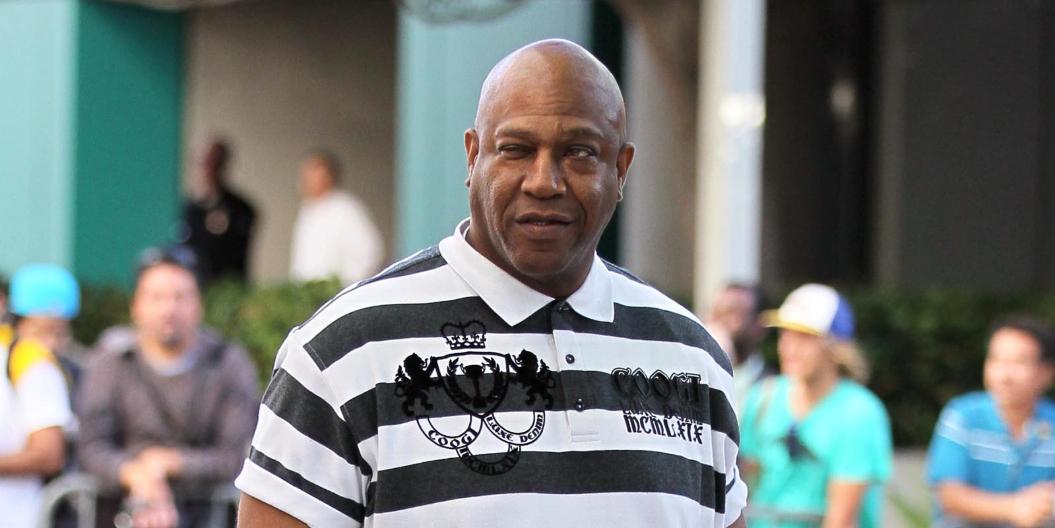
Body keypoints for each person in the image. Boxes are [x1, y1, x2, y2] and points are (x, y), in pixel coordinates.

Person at [236, 39, 747, 527]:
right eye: (517, 149)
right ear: (472, 157)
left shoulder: (693, 360)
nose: (544, 181)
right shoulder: (343, 354)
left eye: (580, 152)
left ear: (622, 168)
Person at [76, 246, 259, 528]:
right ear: (135, 305)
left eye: (180, 296)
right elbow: (90, 446)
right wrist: (135, 474)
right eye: (156, 297)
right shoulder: (111, 360)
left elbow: (237, 454)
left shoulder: (228, 363)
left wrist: (168, 463)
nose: (169, 309)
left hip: (210, 516)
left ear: (199, 303)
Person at [740, 283, 892, 527]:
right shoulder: (763, 396)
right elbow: (744, 485)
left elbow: (841, 519)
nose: (789, 347)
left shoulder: (859, 413)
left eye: (805, 336)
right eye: (785, 334)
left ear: (837, 347)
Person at [927, 316, 1055, 528]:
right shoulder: (962, 416)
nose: (1004, 374)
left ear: (1046, 372)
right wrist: (1014, 507)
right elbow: (949, 495)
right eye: (996, 359)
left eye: (1019, 362)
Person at [0, 264, 77, 528]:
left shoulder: (30, 360)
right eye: (40, 330)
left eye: (58, 331)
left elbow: (49, 454)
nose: (51, 343)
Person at [288, 150, 384, 285]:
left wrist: (345, 285)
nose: (307, 179)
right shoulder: (307, 210)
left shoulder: (346, 209)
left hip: (335, 294)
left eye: (314, 173)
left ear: (329, 176)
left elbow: (370, 252)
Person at [179, 140, 257, 285]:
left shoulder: (240, 209)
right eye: (202, 163)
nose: (207, 170)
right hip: (195, 286)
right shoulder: (191, 208)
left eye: (213, 163)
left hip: (228, 288)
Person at [706, 282, 770, 412]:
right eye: (716, 313)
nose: (720, 322)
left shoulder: (773, 390)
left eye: (731, 312)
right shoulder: (693, 380)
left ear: (758, 327)